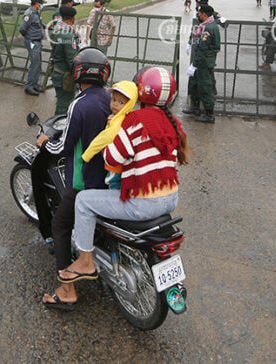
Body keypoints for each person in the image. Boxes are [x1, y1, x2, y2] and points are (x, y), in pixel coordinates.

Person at [55, 67, 188, 300]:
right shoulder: (173, 122)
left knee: (84, 201)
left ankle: (86, 261)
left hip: (143, 203)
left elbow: (111, 158)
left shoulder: (135, 121)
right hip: (170, 200)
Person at [40, 48, 112, 309]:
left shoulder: (79, 104)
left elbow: (66, 146)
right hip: (110, 177)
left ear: (78, 72)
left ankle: (67, 290)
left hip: (84, 181)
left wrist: (46, 143)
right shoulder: (112, 99)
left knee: (60, 226)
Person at [184, 4, 221, 123]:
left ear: (204, 14)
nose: (198, 15)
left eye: (199, 13)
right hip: (201, 61)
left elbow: (203, 48)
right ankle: (195, 108)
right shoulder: (206, 25)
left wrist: (194, 64)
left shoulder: (208, 28)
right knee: (195, 84)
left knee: (205, 87)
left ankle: (209, 114)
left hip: (203, 62)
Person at [50, 6, 81, 116]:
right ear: (72, 19)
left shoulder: (56, 30)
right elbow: (72, 60)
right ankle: (59, 129)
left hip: (57, 71)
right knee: (64, 106)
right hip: (65, 77)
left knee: (61, 101)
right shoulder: (68, 35)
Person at [20, 0, 45, 96]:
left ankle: (35, 84)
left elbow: (38, 24)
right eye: (41, 3)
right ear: (37, 3)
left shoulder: (36, 13)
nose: (42, 5)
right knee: (34, 64)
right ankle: (29, 86)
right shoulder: (29, 13)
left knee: (38, 64)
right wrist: (29, 37)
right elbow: (22, 29)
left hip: (37, 41)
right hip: (32, 42)